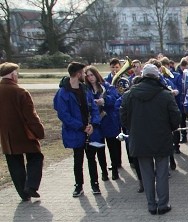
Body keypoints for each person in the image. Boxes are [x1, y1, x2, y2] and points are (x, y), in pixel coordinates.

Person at [120, 63, 181, 215]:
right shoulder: (165, 94)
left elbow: (123, 118)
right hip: (161, 138)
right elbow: (175, 117)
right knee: (161, 173)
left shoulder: (129, 95)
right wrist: (170, 129)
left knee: (146, 173)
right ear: (157, 76)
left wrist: (134, 129)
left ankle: (151, 205)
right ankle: (163, 204)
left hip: (140, 140)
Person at [54, 61, 101, 197]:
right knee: (78, 159)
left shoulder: (85, 89)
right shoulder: (63, 93)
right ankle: (78, 185)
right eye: (83, 72)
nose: (85, 75)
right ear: (78, 73)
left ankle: (95, 184)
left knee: (92, 159)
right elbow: (63, 115)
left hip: (89, 130)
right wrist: (81, 127)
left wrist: (93, 124)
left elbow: (93, 108)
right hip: (76, 132)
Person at [0, 62, 45, 202]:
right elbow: (30, 116)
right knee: (36, 157)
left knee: (14, 163)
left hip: (6, 136)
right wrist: (39, 131)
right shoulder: (20, 92)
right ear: (13, 74)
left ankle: (23, 193)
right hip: (24, 133)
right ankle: (31, 185)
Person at [84, 66, 118, 181]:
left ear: (96, 74)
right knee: (99, 149)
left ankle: (115, 170)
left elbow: (115, 98)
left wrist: (104, 100)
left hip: (108, 121)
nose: (90, 78)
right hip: (96, 124)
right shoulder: (86, 89)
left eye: (92, 75)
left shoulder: (106, 86)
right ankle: (104, 172)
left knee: (112, 147)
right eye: (88, 76)